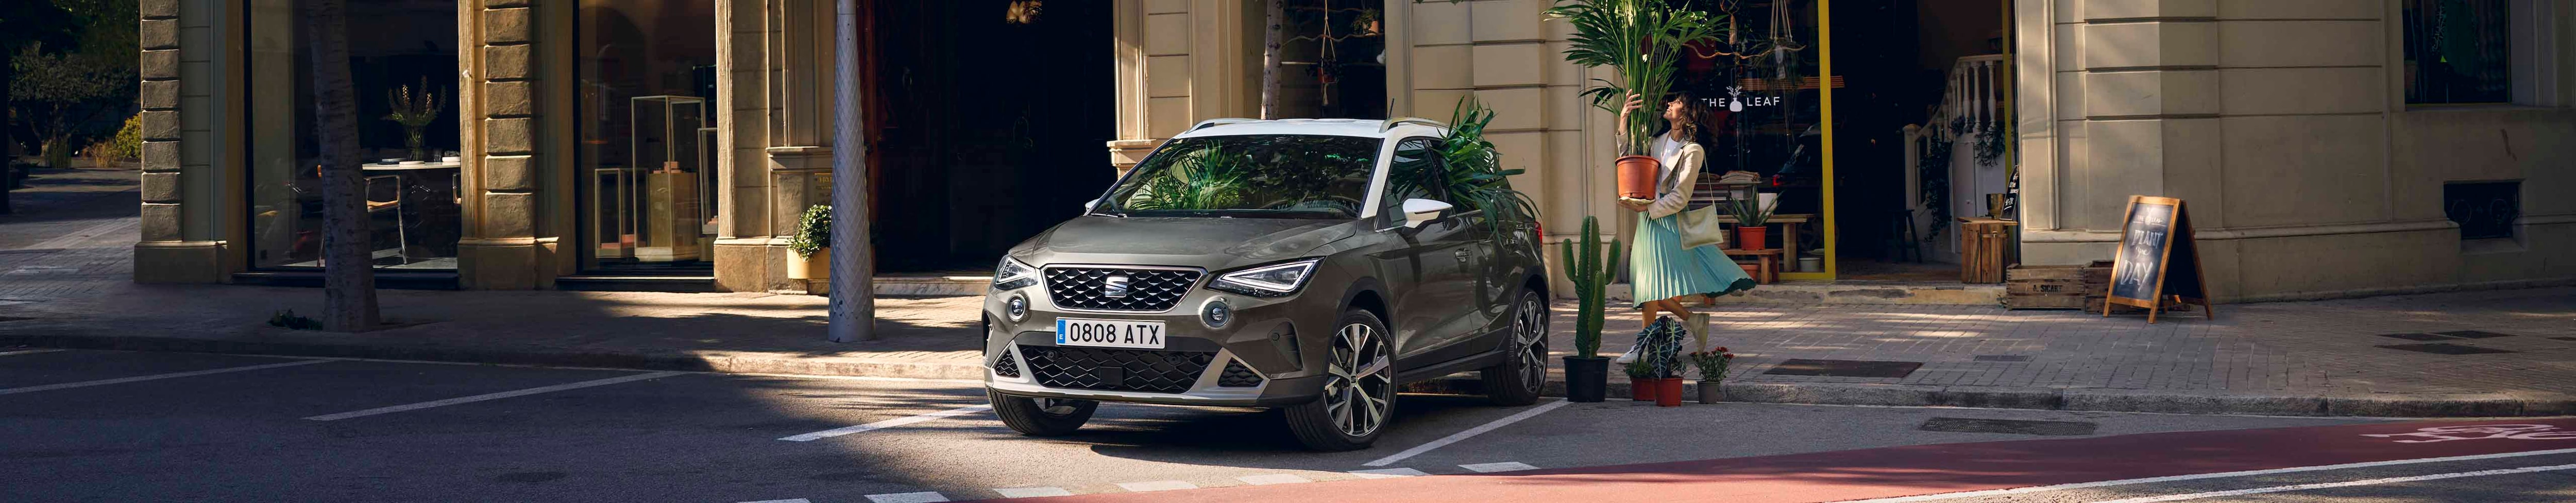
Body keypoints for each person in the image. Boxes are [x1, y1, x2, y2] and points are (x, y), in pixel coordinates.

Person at [1616, 91, 1757, 331]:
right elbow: (1631, 162)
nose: (1670, 103)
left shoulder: (1693, 150)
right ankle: (1691, 320)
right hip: (1648, 220)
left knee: (1651, 285)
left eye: (1678, 102)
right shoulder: (1657, 141)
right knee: (1647, 285)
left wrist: (1649, 208)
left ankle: (1646, 341)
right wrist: (1624, 120)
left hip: (1668, 221)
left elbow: (1681, 196)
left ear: (1688, 114)